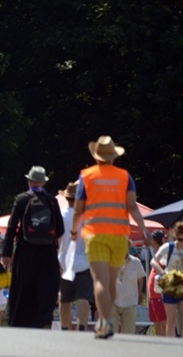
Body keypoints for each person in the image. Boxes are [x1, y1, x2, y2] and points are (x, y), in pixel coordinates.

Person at [71, 136, 151, 339]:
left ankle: (104, 321)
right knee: (112, 280)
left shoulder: (86, 176)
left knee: (100, 280)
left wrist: (73, 231)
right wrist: (144, 230)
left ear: (96, 157)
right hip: (118, 235)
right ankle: (105, 320)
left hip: (95, 234)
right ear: (113, 157)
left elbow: (78, 209)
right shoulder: (125, 177)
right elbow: (132, 207)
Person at [2, 166, 64, 329]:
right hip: (48, 252)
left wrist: (6, 253)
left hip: (25, 250)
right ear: (43, 182)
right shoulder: (52, 200)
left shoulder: (21, 199)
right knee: (45, 287)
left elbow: (11, 227)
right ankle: (43, 321)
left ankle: (20, 323)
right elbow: (60, 229)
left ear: (29, 181)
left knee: (23, 287)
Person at [57, 182, 93, 331]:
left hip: (65, 262)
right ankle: (82, 328)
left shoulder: (60, 215)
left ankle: (65, 328)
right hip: (85, 262)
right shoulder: (87, 216)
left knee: (64, 299)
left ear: (66, 198)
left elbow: (57, 239)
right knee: (83, 299)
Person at [150, 221, 183, 337]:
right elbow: (153, 261)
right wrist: (162, 272)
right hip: (170, 284)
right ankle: (171, 349)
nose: (182, 242)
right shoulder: (168, 247)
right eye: (180, 240)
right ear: (175, 237)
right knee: (171, 319)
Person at [112, 241, 145, 334]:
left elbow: (140, 281)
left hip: (130, 303)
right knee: (111, 335)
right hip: (113, 303)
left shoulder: (136, 262)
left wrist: (138, 296)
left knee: (128, 335)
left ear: (128, 246)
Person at [146, 230, 167, 336]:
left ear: (154, 241)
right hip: (153, 296)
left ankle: (166, 348)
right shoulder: (156, 254)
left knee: (163, 324)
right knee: (157, 325)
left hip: (160, 295)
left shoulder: (163, 254)